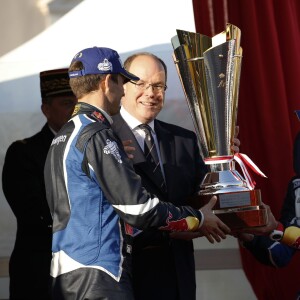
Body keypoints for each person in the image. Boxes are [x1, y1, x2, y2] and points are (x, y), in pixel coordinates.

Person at [44, 46, 231, 300]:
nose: (123, 90)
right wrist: (197, 218)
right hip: (101, 274)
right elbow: (137, 209)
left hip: (73, 274)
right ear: (108, 82)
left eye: (159, 86)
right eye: (126, 82)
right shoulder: (98, 133)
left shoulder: (67, 132)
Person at [111, 52, 242, 300]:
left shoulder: (184, 140)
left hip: (178, 277)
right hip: (127, 277)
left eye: (159, 85)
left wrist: (222, 161)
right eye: (140, 83)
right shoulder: (104, 139)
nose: (151, 93)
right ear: (122, 87)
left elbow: (204, 199)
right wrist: (173, 227)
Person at [2, 68, 77, 300]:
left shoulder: (97, 148)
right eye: (67, 103)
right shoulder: (24, 152)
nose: (75, 110)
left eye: (78, 103)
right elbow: (37, 214)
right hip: (41, 271)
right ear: (46, 109)